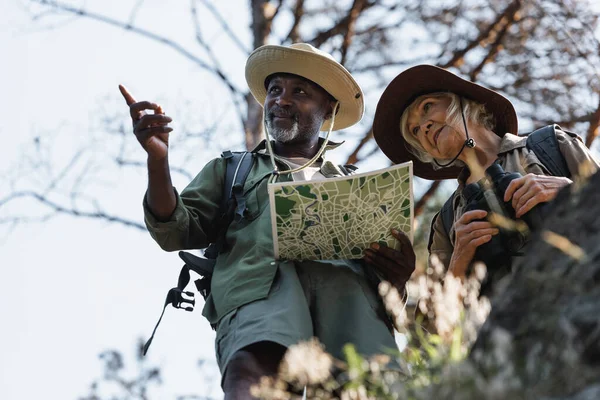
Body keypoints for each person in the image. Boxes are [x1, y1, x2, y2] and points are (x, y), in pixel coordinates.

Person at [120, 43, 416, 399]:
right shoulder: (232, 170)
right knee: (253, 378)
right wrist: (158, 160)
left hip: (350, 306)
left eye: (300, 92)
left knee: (369, 390)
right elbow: (174, 228)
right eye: (275, 90)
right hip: (259, 294)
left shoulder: (362, 189)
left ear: (330, 108)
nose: (281, 100)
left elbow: (388, 284)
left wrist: (399, 276)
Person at [372, 64, 599, 287]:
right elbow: (431, 323)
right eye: (414, 131)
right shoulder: (447, 220)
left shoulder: (550, 146)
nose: (424, 127)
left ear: (460, 100)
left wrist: (568, 189)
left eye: (427, 107)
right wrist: (459, 262)